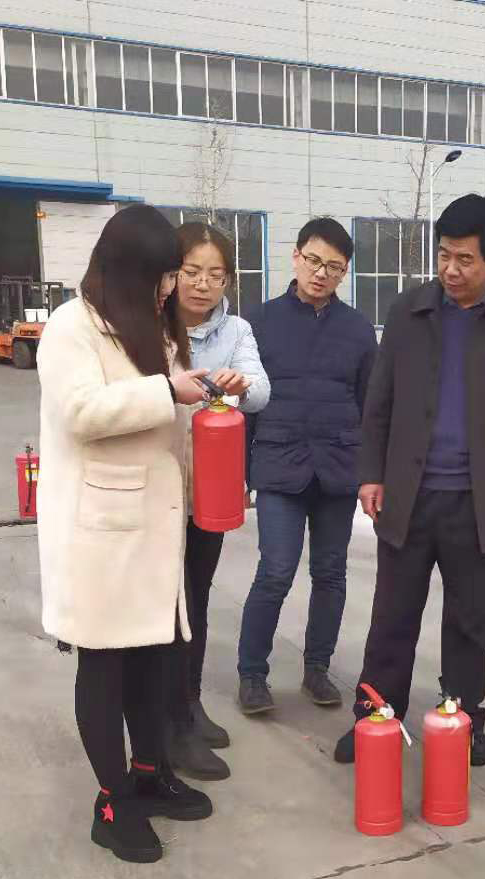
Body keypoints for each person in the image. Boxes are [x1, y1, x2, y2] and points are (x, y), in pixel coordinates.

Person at [337, 194, 485, 767]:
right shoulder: (409, 312)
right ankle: (375, 717)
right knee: (392, 619)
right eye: (443, 256)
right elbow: (379, 402)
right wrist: (371, 474)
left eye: (465, 259)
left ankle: (463, 721)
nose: (451, 270)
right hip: (408, 497)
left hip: (481, 503)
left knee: (470, 623)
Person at [36, 204, 218, 864]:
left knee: (153, 658)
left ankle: (149, 772)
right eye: (165, 277)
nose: (172, 289)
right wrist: (168, 391)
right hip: (99, 532)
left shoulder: (150, 330)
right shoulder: (71, 327)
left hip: (153, 527)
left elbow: (169, 426)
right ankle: (112, 803)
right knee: (105, 664)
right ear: (129, 271)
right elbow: (82, 412)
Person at [235, 219, 376, 716]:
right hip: (279, 466)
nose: (321, 273)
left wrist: (372, 473)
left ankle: (317, 668)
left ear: (344, 273)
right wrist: (240, 475)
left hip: (338, 469)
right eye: (314, 261)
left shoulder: (358, 330)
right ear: (296, 257)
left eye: (334, 267)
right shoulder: (259, 322)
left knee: (331, 573)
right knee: (275, 571)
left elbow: (371, 407)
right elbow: (245, 405)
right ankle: (252, 675)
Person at [166, 221, 271, 781]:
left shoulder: (235, 330)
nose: (203, 284)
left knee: (198, 598)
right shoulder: (150, 325)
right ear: (173, 273)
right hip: (158, 488)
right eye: (192, 271)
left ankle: (189, 703)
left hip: (208, 490)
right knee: (168, 605)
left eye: (215, 274)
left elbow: (261, 391)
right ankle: (167, 722)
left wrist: (240, 384)